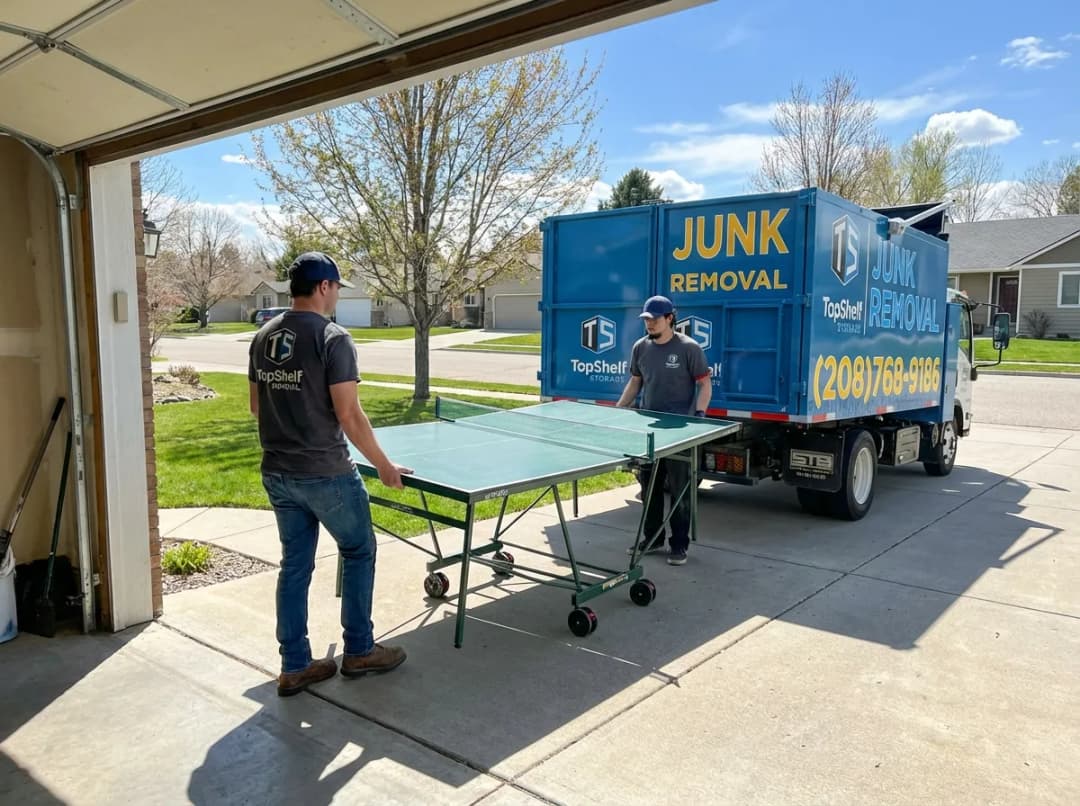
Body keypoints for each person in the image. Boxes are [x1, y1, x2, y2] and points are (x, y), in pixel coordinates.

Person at [249, 251, 413, 697]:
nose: (338, 295)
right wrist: (383, 465)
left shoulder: (263, 336)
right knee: (359, 549)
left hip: (278, 472)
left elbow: (255, 406)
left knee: (294, 566)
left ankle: (294, 665)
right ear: (324, 287)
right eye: (338, 287)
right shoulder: (333, 337)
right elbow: (350, 415)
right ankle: (359, 650)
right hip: (326, 473)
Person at [615, 295, 711, 566]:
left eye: (655, 319)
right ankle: (653, 537)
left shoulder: (689, 348)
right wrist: (620, 407)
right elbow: (636, 382)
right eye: (646, 320)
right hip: (649, 430)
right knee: (650, 489)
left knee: (680, 490)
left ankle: (679, 544)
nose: (650, 324)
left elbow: (704, 384)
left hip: (680, 430)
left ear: (670, 318)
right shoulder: (640, 348)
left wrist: (700, 415)